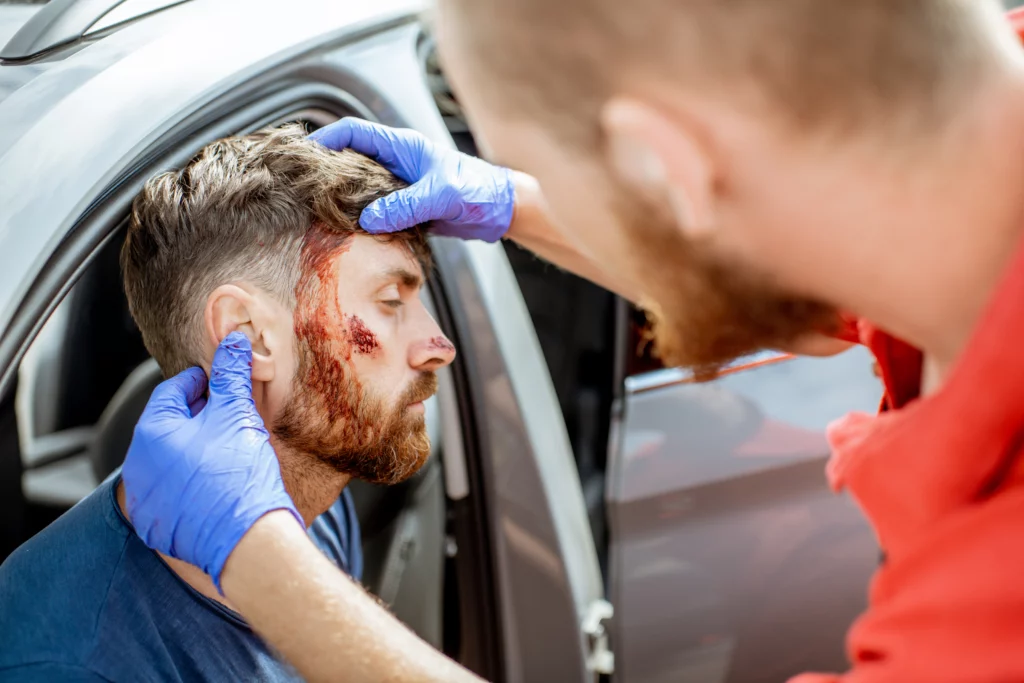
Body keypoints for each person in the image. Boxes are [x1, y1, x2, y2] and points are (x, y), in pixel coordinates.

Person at [119, 1, 1024, 682]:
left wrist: (263, 565)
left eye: (557, 175)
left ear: (665, 169)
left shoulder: (987, 613)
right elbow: (824, 302)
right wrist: (517, 200)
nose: (441, 343)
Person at [0, 125, 455, 682]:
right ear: (248, 334)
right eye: (390, 301)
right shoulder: (67, 665)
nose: (440, 346)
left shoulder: (316, 497)